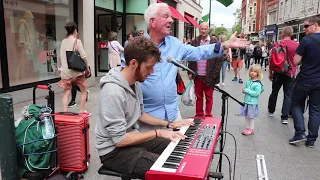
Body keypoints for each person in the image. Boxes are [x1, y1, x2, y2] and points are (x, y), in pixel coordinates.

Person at [121, 3, 249, 132]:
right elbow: (124, 82)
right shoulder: (135, 48)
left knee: (179, 148)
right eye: (166, 16)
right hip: (147, 119)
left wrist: (225, 45)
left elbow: (199, 52)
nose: (171, 20)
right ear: (152, 21)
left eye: (171, 17)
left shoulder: (175, 44)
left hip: (173, 115)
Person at [95, 37, 194, 179]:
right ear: (134, 63)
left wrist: (169, 124)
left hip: (130, 139)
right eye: (149, 67)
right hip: (113, 152)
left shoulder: (134, 83)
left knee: (178, 146)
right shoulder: (113, 92)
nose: (152, 71)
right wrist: (158, 132)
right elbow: (119, 140)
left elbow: (140, 114)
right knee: (171, 171)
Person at [289, 17, 320, 148]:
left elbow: (296, 61)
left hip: (306, 79)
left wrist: (305, 59)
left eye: (307, 26)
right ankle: (311, 140)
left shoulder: (306, 40)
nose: (305, 29)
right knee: (315, 110)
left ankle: (300, 133)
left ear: (316, 25)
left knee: (296, 104)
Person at [187, 22, 224, 117]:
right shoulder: (194, 42)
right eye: (201, 29)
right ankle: (199, 114)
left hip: (209, 76)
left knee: (209, 97)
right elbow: (190, 57)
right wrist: (190, 71)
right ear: (199, 29)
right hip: (197, 75)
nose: (203, 31)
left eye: (205, 29)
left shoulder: (214, 42)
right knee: (199, 96)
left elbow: (219, 59)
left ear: (208, 30)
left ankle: (208, 115)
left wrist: (215, 74)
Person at [56, 22, 90, 115]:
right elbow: (83, 56)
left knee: (66, 92)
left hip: (66, 72)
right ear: (75, 30)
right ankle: (82, 110)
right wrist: (87, 67)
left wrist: (60, 68)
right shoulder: (77, 41)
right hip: (77, 72)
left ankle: (65, 112)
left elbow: (60, 56)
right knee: (84, 90)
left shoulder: (63, 41)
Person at [267, 26, 299, 124]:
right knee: (288, 95)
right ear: (291, 34)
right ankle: (284, 117)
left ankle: (271, 110)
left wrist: (270, 72)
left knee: (274, 92)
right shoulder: (297, 45)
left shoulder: (277, 44)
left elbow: (271, 59)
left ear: (282, 34)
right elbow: (299, 60)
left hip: (278, 71)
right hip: (290, 73)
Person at [239, 64, 264, 135]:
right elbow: (246, 88)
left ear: (258, 73)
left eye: (255, 72)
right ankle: (247, 128)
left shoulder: (258, 84)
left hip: (252, 103)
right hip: (246, 101)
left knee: (251, 116)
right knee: (246, 115)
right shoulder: (248, 81)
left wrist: (247, 91)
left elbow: (257, 93)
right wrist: (244, 90)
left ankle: (251, 129)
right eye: (251, 71)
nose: (252, 73)